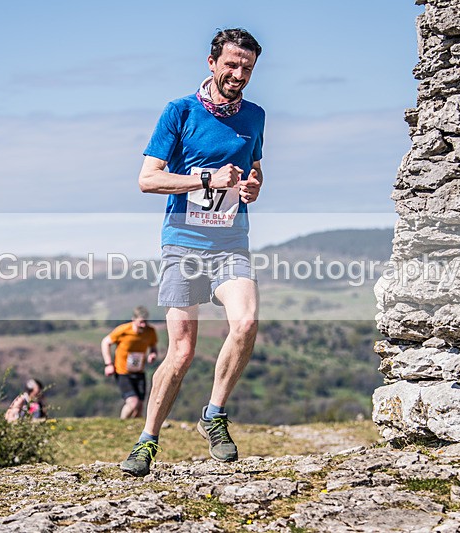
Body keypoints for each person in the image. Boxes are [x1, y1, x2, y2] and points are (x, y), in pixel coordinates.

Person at [120, 28, 264, 477]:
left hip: (230, 242)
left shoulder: (256, 115)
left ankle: (214, 414)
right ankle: (148, 441)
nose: (238, 75)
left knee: (246, 322)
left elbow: (254, 166)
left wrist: (254, 185)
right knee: (181, 353)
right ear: (212, 63)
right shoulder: (179, 111)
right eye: (231, 65)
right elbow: (148, 179)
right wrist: (205, 181)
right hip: (182, 243)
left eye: (247, 68)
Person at [101, 306, 159, 419]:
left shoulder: (150, 331)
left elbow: (153, 347)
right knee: (133, 403)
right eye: (141, 322)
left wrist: (153, 354)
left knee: (140, 407)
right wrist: (108, 364)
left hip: (139, 371)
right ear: (134, 319)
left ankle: (133, 430)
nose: (143, 325)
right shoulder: (123, 330)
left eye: (145, 322)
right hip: (123, 372)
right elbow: (105, 342)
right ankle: (121, 425)